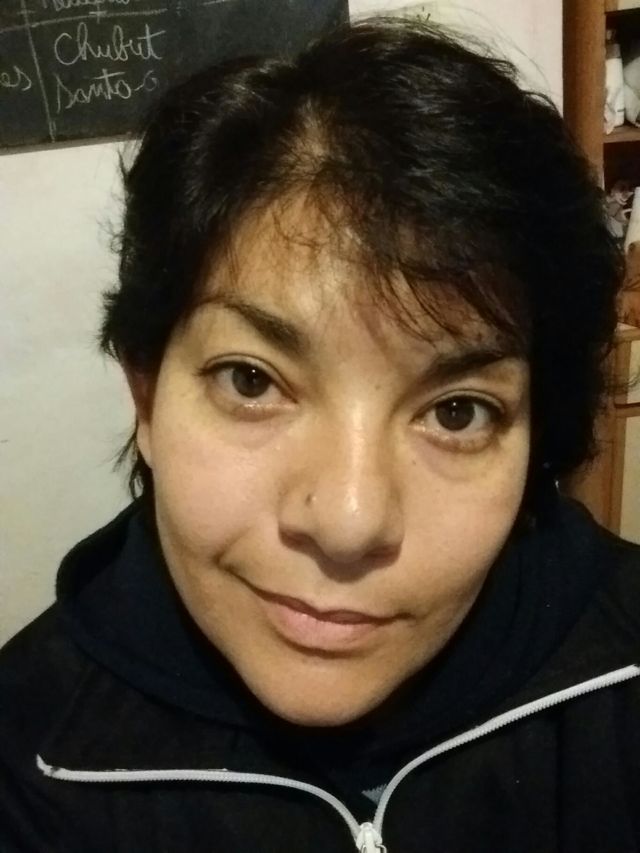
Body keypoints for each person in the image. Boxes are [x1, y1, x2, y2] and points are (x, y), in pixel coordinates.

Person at [1, 17, 639, 853]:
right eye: (251, 380)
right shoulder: (29, 761)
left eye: (457, 411)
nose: (348, 521)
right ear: (147, 398)